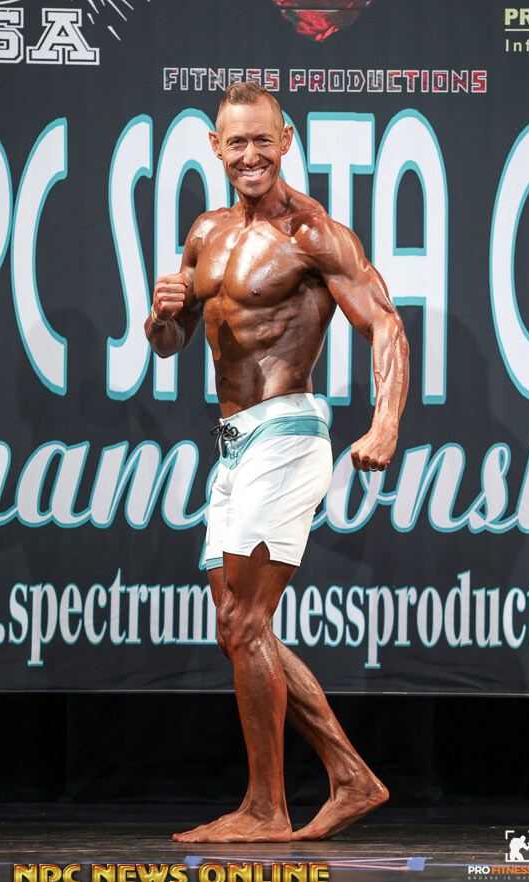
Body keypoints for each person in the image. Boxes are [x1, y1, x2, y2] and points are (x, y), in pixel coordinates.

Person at [145, 82, 409, 843]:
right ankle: (350, 777)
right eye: (237, 142)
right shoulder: (205, 233)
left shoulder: (314, 233)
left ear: (286, 140)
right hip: (232, 444)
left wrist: (385, 422)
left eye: (264, 140)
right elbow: (171, 344)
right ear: (215, 147)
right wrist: (161, 316)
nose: (251, 155)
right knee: (239, 628)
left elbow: (386, 327)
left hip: (288, 435)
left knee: (243, 620)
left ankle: (265, 808)